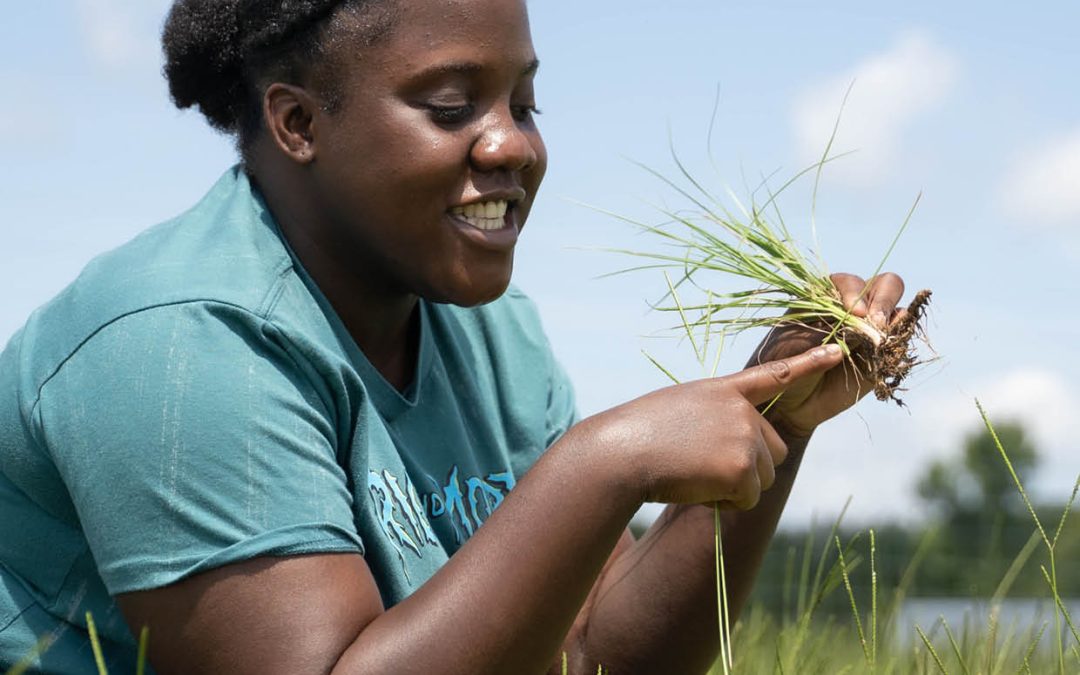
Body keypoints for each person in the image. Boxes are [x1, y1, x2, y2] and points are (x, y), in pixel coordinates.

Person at [0, 0, 908, 672]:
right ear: (298, 123)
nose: (512, 145)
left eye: (524, 103)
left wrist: (779, 416)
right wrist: (601, 465)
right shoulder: (176, 345)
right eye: (450, 107)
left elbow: (599, 654)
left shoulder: (491, 337)